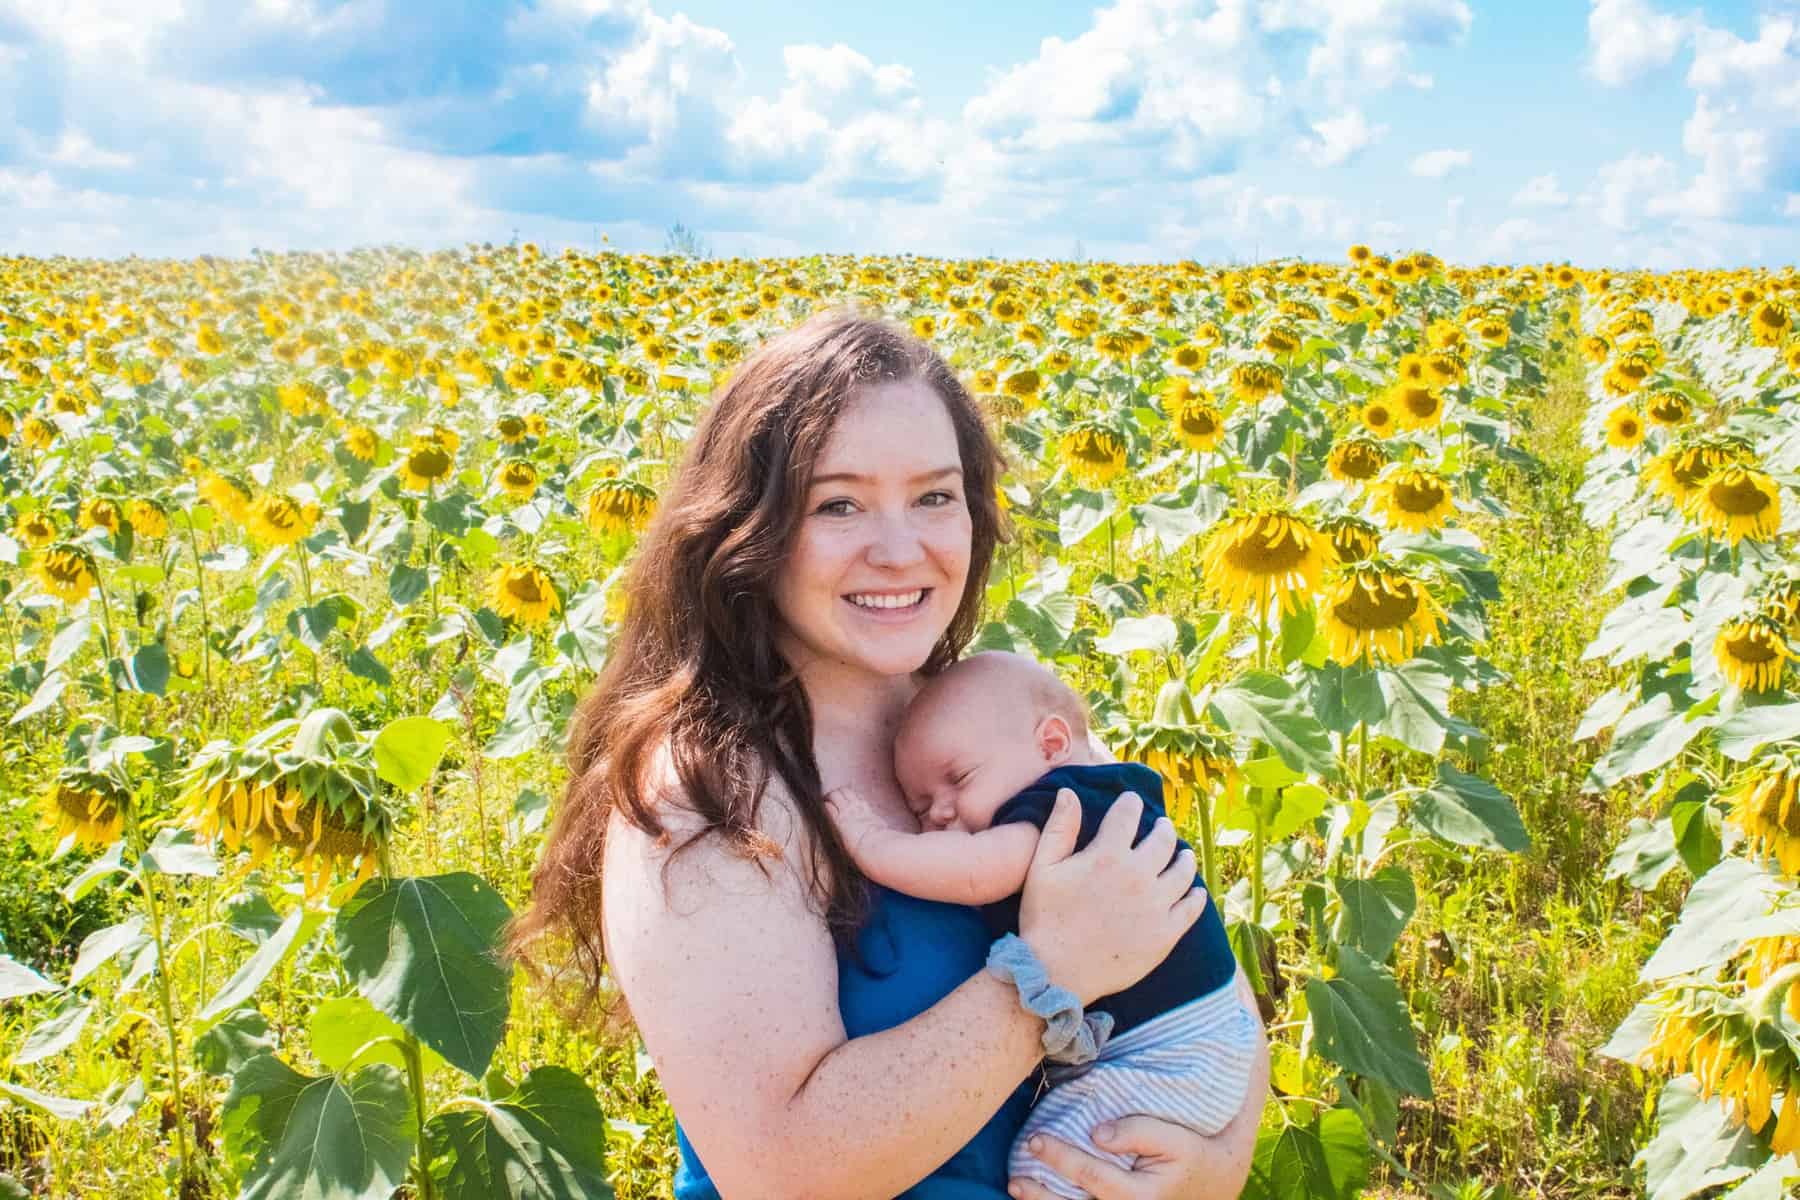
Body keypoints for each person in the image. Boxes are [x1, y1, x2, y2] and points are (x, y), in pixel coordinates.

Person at [506, 309, 1269, 1200]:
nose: (901, 551)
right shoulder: (709, 790)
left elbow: (1196, 967)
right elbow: (780, 1170)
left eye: (935, 497)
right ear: (748, 529)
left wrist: (1214, 1166)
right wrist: (1048, 975)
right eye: (839, 504)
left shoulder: (994, 719)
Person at [823, 650, 1258, 1200]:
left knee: (1047, 1168)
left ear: (1052, 744)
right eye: (921, 806)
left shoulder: (1068, 802)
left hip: (1165, 1054)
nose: (939, 814)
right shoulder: (1092, 783)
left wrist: (874, 843)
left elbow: (978, 871)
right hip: (1200, 1047)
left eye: (958, 779)